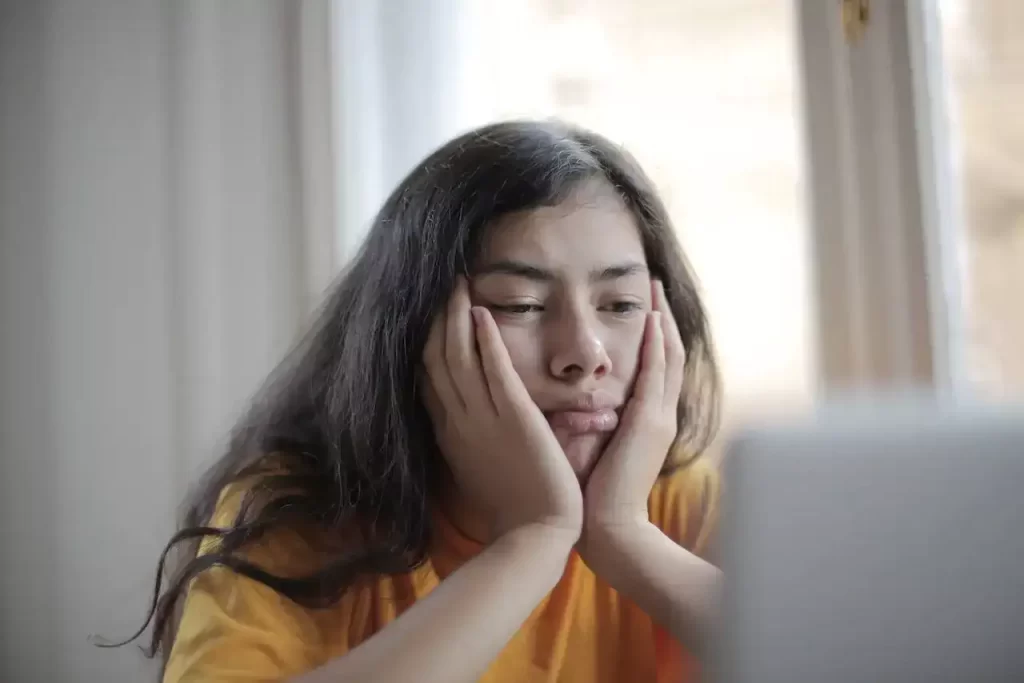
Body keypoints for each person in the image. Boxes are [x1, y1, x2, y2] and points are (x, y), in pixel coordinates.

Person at [123, 120, 724, 683]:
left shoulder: (675, 501)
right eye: (520, 305)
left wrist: (623, 533)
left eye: (619, 305)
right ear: (416, 334)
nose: (586, 353)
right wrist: (534, 537)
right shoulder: (297, 515)